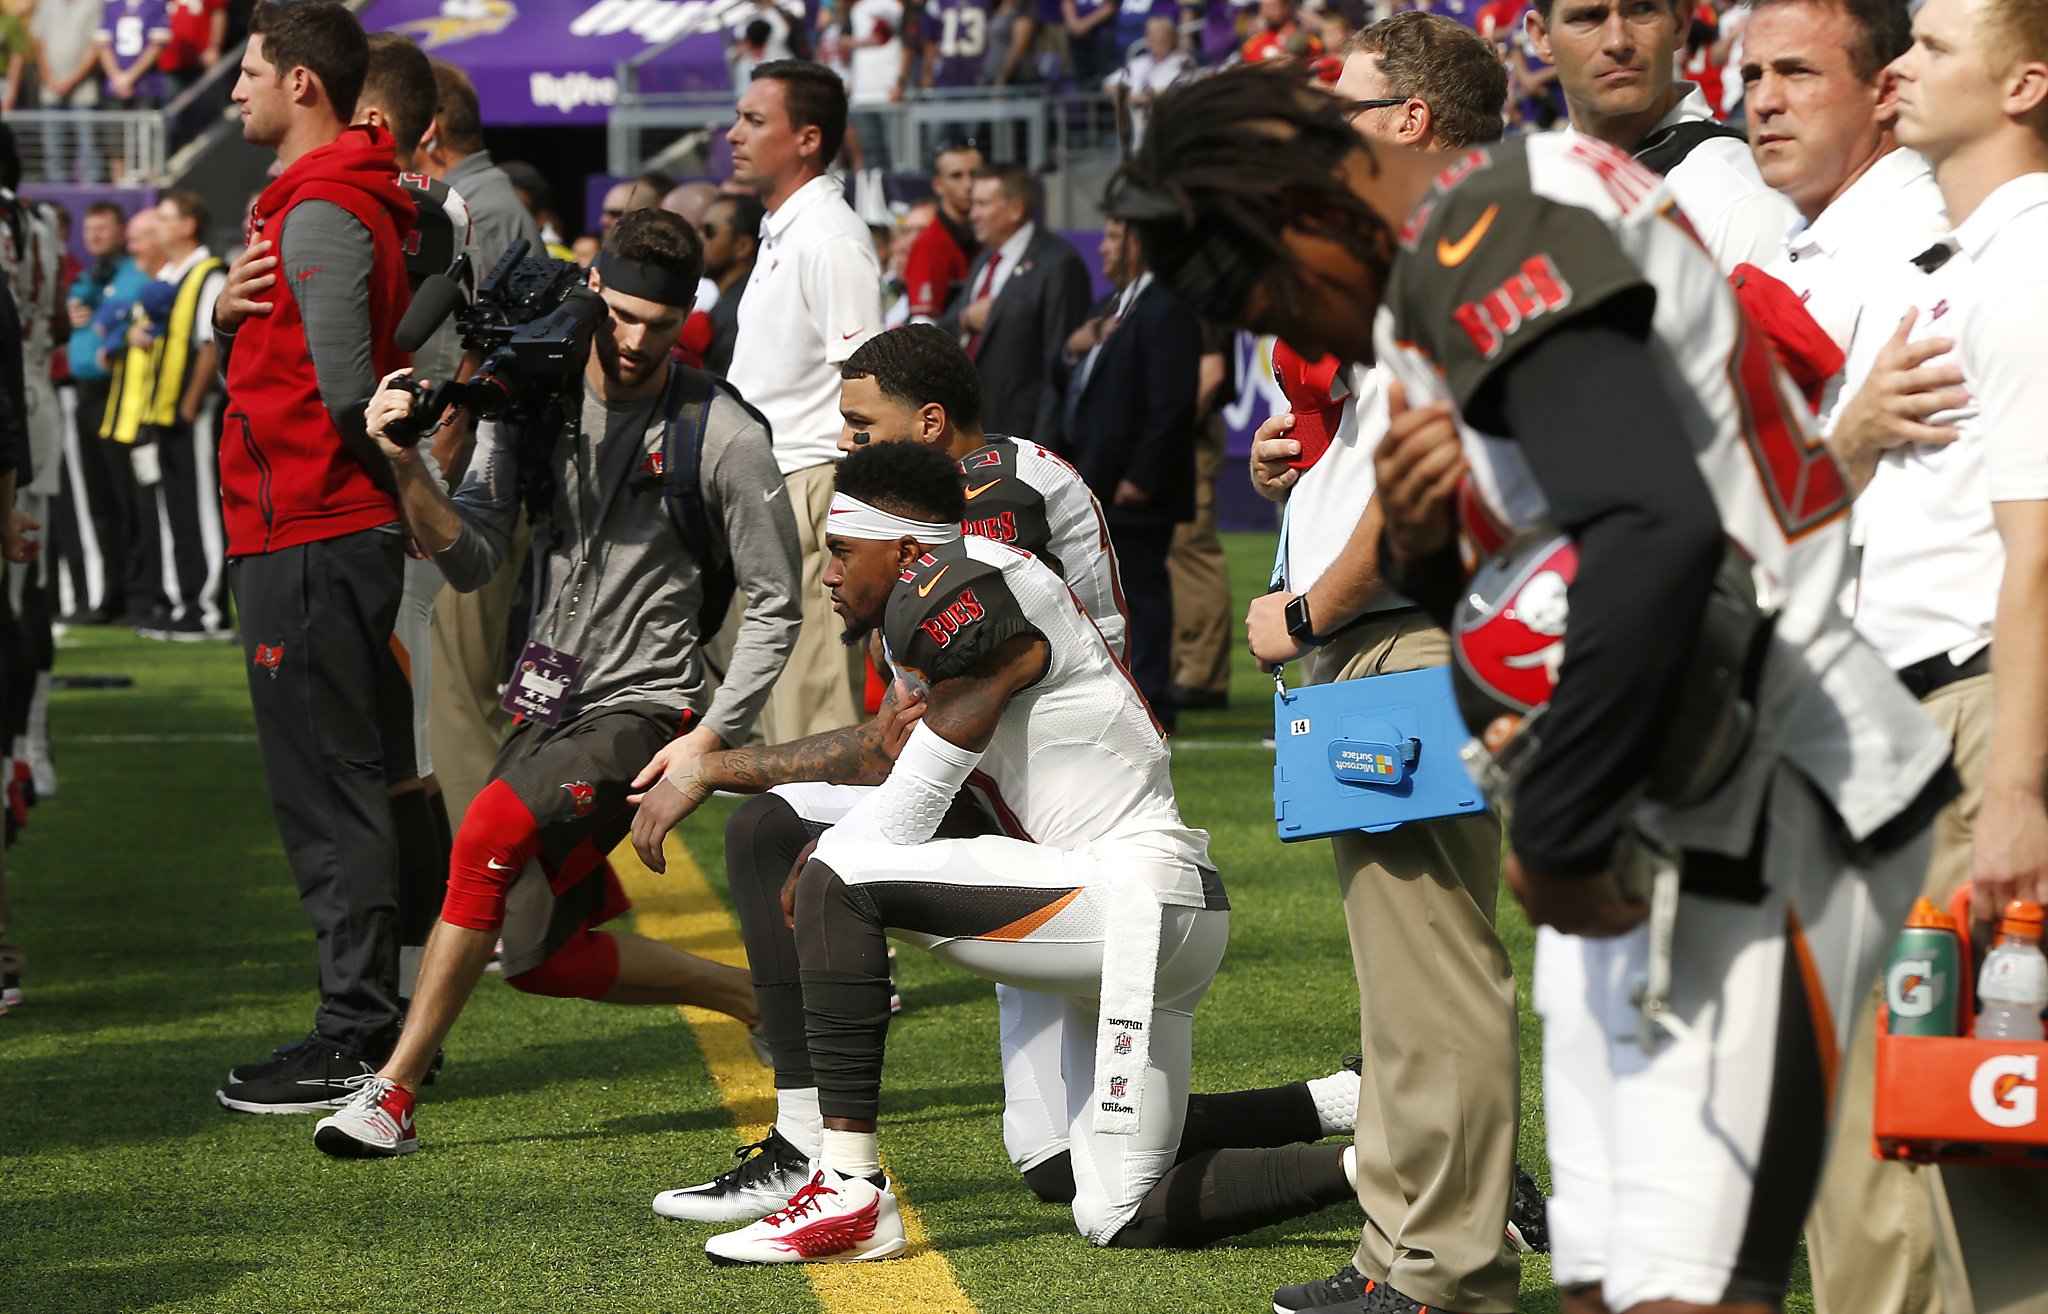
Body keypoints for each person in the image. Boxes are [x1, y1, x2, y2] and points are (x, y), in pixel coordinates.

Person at [1115, 62, 1950, 1314]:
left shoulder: (1494, 228)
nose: (1295, 327)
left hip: (1756, 772)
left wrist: (1558, 823)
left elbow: (1652, 529)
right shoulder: (1487, 227)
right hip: (1721, 759)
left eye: (1268, 282)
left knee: (1825, 1235)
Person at [632, 441, 1358, 1262]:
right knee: (1106, 1204)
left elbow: (902, 816)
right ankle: (1387, 1163)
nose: (828, 574)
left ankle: (847, 1191)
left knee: (842, 872)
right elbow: (882, 753)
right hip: (1144, 913)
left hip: (1130, 897)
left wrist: (823, 857)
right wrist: (709, 769)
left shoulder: (965, 591)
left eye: (841, 551)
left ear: (908, 553)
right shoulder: (971, 578)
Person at [312, 208, 806, 1158]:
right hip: (547, 702)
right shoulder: (531, 400)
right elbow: (469, 555)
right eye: (618, 315)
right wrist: (403, 459)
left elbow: (778, 604)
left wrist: (710, 736)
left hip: (648, 705)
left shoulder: (726, 433)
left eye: (659, 326)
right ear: (593, 295)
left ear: (688, 317)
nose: (633, 342)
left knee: (486, 830)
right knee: (539, 958)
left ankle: (392, 1094)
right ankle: (755, 997)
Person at [1232, 19, 1534, 1314]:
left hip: (1398, 631)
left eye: (1343, 98)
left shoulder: (1460, 243)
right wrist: (1302, 477)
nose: (1324, 118)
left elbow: (1436, 497)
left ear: (1412, 116)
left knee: (1434, 966)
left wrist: (1303, 612)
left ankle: (1446, 1269)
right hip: (1389, 634)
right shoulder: (1440, 244)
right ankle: (1400, 1251)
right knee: (1401, 971)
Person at [1807, 1, 2048, 1309]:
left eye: (1937, 47)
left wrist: (2014, 788)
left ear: (2027, 85)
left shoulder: (2028, 259)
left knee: (1994, 1155)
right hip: (1930, 723)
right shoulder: (1971, 257)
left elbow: (2042, 552)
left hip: (1985, 728)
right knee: (1951, 1139)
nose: (1896, 66)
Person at [208, 0, 422, 1115]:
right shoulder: (325, 201)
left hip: (313, 530)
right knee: (351, 778)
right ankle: (387, 1020)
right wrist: (221, 318)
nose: (233, 89)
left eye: (249, 71)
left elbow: (344, 394)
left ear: (303, 86)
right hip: (313, 526)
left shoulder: (325, 206)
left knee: (327, 791)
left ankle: (357, 1035)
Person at [353, 27, 476, 1022]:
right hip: (375, 508)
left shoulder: (428, 216)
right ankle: (383, 998)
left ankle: (401, 1009)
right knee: (378, 762)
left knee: (403, 768)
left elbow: (377, 348)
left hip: (401, 509)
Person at [725, 59, 886, 745]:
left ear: (807, 139)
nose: (734, 134)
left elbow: (870, 388)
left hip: (812, 487)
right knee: (779, 724)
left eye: (755, 121)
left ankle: (828, 856)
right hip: (775, 486)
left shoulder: (829, 239)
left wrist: (853, 516)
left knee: (815, 726)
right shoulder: (789, 230)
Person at [417, 57, 546, 826]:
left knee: (456, 693)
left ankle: (486, 900)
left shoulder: (475, 206)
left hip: (479, 475)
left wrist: (441, 460)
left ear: (425, 128)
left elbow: (484, 356)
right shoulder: (490, 198)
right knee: (455, 688)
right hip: (486, 466)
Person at [1051, 217, 1198, 732]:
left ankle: (1153, 697)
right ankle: (1122, 686)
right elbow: (1070, 377)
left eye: (1114, 237)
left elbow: (1171, 403)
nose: (1104, 248)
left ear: (1140, 241)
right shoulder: (1113, 305)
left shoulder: (1165, 306)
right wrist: (1076, 345)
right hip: (1097, 476)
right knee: (1109, 590)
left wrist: (1143, 474)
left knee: (1142, 588)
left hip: (1134, 484)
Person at [1523, 0, 1798, 270]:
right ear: (1542, 36)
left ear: (1680, 21)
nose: (1618, 42)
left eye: (1642, 9)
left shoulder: (1741, 207)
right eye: (1587, 17)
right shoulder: (1535, 186)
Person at [131, 190, 228, 642]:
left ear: (189, 225)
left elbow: (210, 342)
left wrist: (191, 402)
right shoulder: (168, 275)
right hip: (163, 408)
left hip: (193, 410)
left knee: (203, 507)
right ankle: (180, 599)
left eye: (166, 219)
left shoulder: (208, 274)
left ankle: (207, 606)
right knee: (174, 509)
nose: (157, 228)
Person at [938, 162, 1090, 444]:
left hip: (1023, 438)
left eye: (982, 204)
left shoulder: (1058, 264)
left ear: (1015, 209)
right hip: (976, 435)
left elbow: (1057, 365)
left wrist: (1045, 450)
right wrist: (966, 319)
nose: (973, 214)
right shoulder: (984, 259)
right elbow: (948, 323)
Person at [95, 208, 169, 629]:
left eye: (142, 237)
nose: (133, 245)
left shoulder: (163, 287)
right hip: (130, 417)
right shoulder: (148, 288)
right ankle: (145, 595)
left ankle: (157, 598)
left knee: (153, 515)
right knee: (135, 512)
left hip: (153, 419)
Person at [901, 140, 980, 323]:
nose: (968, 184)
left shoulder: (984, 235)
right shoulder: (930, 245)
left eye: (974, 174)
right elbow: (923, 328)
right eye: (956, 176)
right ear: (938, 185)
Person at [32, 0, 106, 184]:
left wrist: (73, 79)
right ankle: (57, 196)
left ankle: (92, 193)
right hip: (51, 91)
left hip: (84, 91)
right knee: (53, 149)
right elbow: (37, 41)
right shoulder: (46, 4)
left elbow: (97, 44)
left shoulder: (94, 4)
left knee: (89, 147)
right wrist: (49, 78)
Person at [698, 193, 762, 377]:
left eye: (709, 231)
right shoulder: (730, 300)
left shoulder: (744, 308)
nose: (698, 239)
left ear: (742, 246)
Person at [1105, 14, 1191, 149]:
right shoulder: (1139, 62)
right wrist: (1121, 93)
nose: (1153, 38)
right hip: (1140, 137)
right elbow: (1108, 83)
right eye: (1150, 33)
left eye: (1158, 33)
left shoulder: (1182, 61)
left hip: (1170, 132)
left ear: (1169, 36)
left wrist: (1131, 98)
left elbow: (1168, 91)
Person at [95, 0, 170, 111]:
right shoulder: (112, 6)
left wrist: (129, 78)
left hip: (145, 85)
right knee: (114, 125)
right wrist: (116, 77)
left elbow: (157, 46)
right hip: (114, 86)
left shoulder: (155, 5)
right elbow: (102, 45)